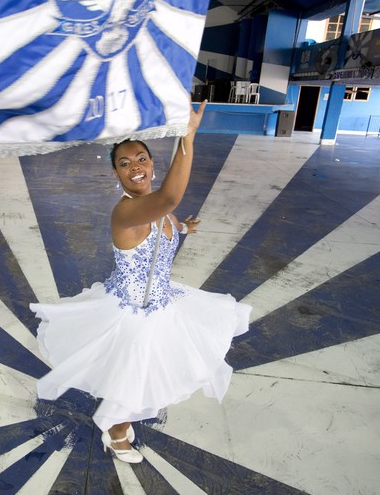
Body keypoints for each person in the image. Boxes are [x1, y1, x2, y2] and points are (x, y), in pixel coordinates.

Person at [31, 100, 251, 463]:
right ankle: (115, 433)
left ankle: (119, 421)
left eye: (141, 159)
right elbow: (170, 198)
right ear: (115, 174)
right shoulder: (128, 211)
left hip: (162, 302)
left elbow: (167, 215)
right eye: (124, 163)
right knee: (140, 379)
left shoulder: (150, 203)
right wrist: (189, 137)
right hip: (135, 313)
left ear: (152, 162)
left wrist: (182, 227)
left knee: (142, 375)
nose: (135, 168)